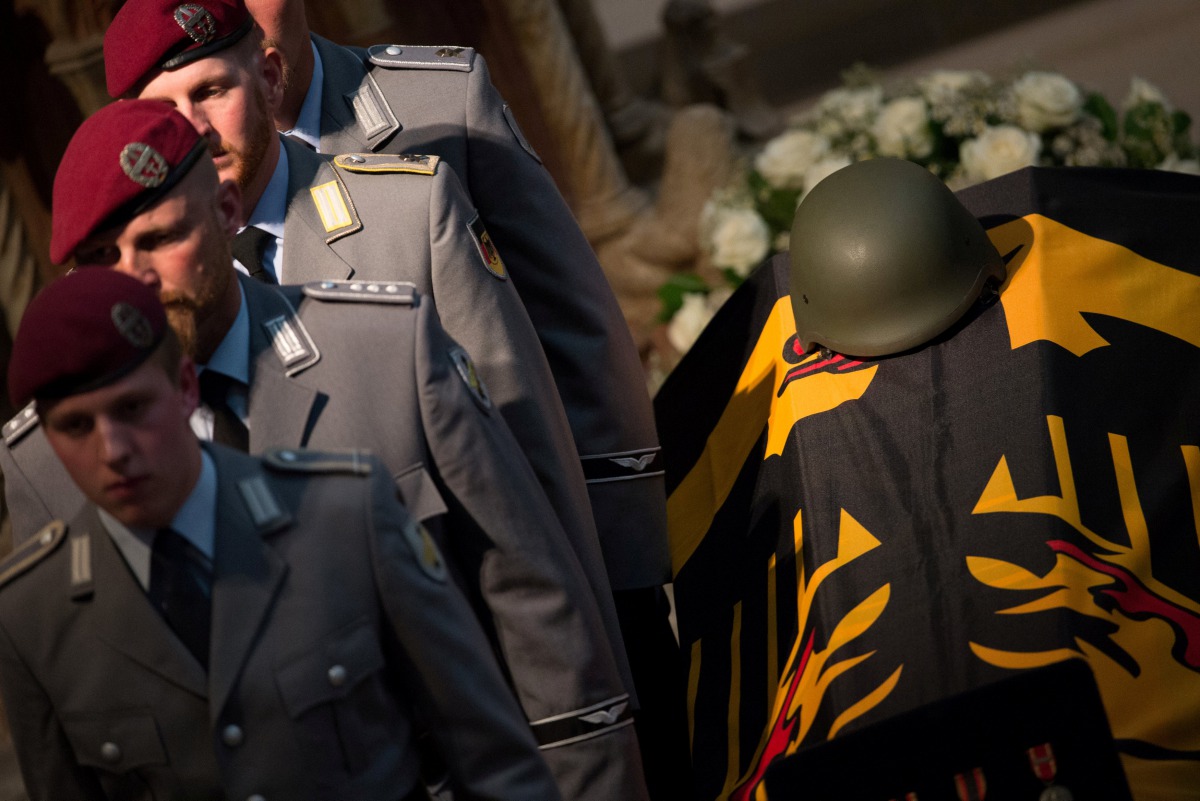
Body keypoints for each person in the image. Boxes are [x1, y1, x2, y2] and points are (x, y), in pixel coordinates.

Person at [0, 99, 647, 801]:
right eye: (101, 258)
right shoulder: (40, 463)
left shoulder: (385, 350)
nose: (135, 279)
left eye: (159, 239)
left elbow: (532, 598)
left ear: (224, 211)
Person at [103, 0, 635, 708]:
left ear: (261, 76)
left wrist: (619, 584)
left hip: (493, 623)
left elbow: (539, 384)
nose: (195, 127)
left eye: (210, 90)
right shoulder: (134, 299)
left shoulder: (421, 172)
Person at [242, 0, 685, 781]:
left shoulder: (435, 101)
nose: (239, 17)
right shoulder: (181, 202)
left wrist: (621, 569)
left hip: (543, 548)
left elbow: (573, 328)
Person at [0, 267, 563, 801]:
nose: (114, 450)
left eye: (132, 407)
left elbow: (493, 761)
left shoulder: (342, 518)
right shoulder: (33, 617)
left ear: (186, 388)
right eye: (75, 427)